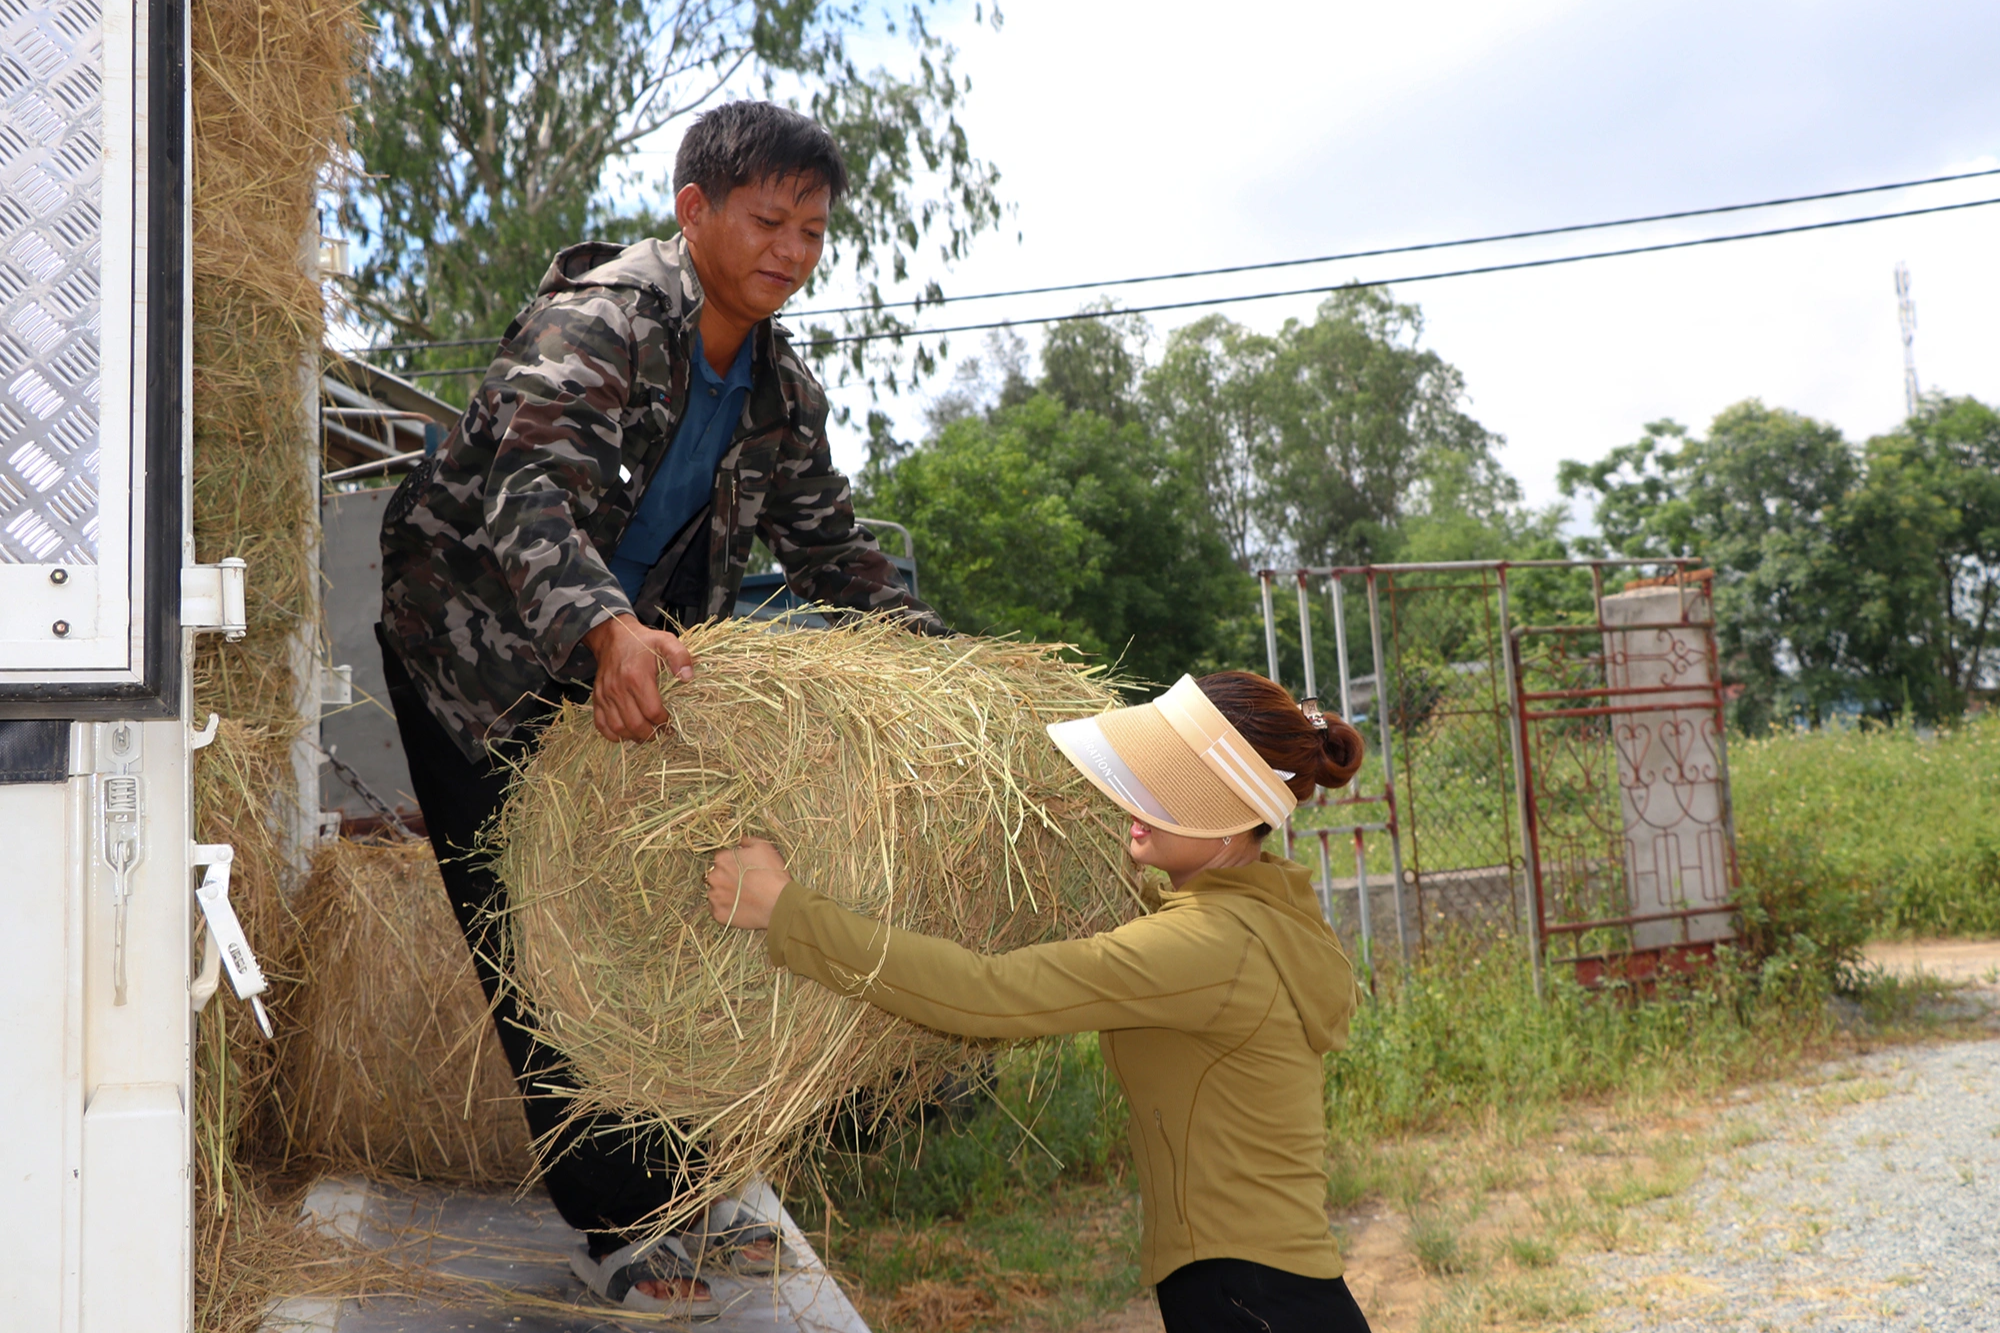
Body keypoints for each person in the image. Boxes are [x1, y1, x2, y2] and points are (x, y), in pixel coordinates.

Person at [376, 100, 943, 1318]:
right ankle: (617, 1226)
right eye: (766, 220)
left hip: (615, 666)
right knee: (535, 939)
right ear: (694, 212)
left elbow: (828, 544)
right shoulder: (607, 319)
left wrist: (950, 671)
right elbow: (524, 494)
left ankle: (685, 1187)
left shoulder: (778, 387)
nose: (791, 250)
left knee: (656, 918)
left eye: (812, 228)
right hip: (473, 658)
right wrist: (608, 625)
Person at [705, 671, 1377, 1333]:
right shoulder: (1265, 909)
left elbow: (984, 993)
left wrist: (788, 910)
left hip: (1245, 1298)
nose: (1134, 795)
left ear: (1230, 818)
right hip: (1266, 1289)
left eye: (1168, 786)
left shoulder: (1206, 946)